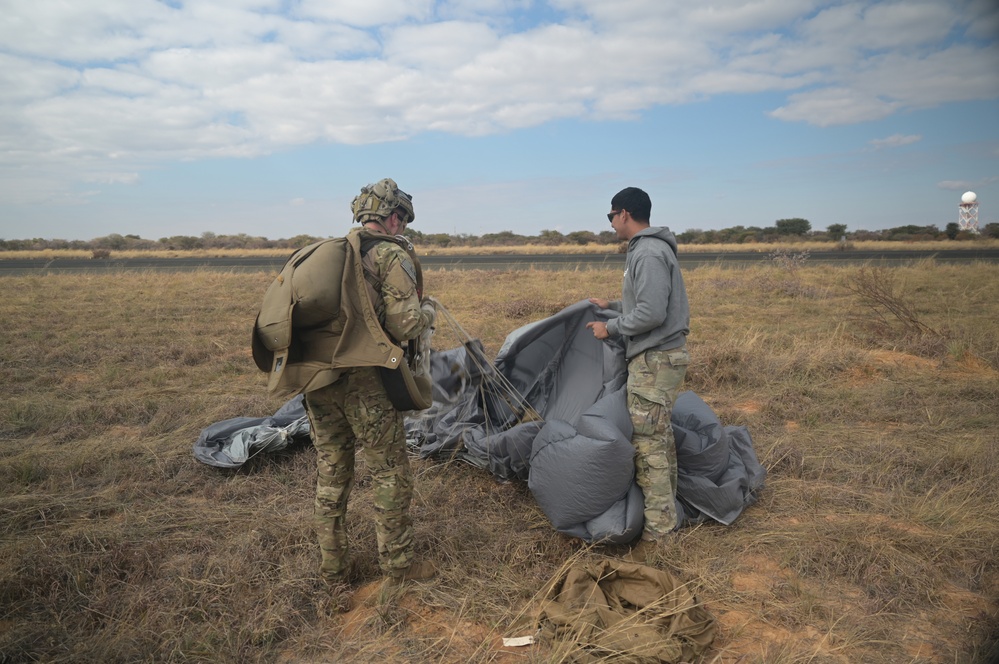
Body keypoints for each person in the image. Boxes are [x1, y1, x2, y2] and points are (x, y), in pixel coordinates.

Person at [304, 178, 437, 591]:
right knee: (389, 472)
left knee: (331, 476)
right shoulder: (388, 256)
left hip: (317, 379)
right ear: (393, 216)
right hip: (364, 382)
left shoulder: (329, 256)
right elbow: (406, 323)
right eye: (403, 219)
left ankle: (333, 571)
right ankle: (397, 570)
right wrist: (428, 310)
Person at [586, 186, 690, 542]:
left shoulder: (646, 252)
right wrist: (613, 303)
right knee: (659, 439)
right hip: (660, 358)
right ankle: (667, 519)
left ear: (625, 214)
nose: (612, 224)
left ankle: (660, 535)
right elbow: (642, 302)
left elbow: (651, 312)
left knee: (648, 447)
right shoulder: (648, 250)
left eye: (611, 216)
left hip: (655, 360)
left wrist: (610, 328)